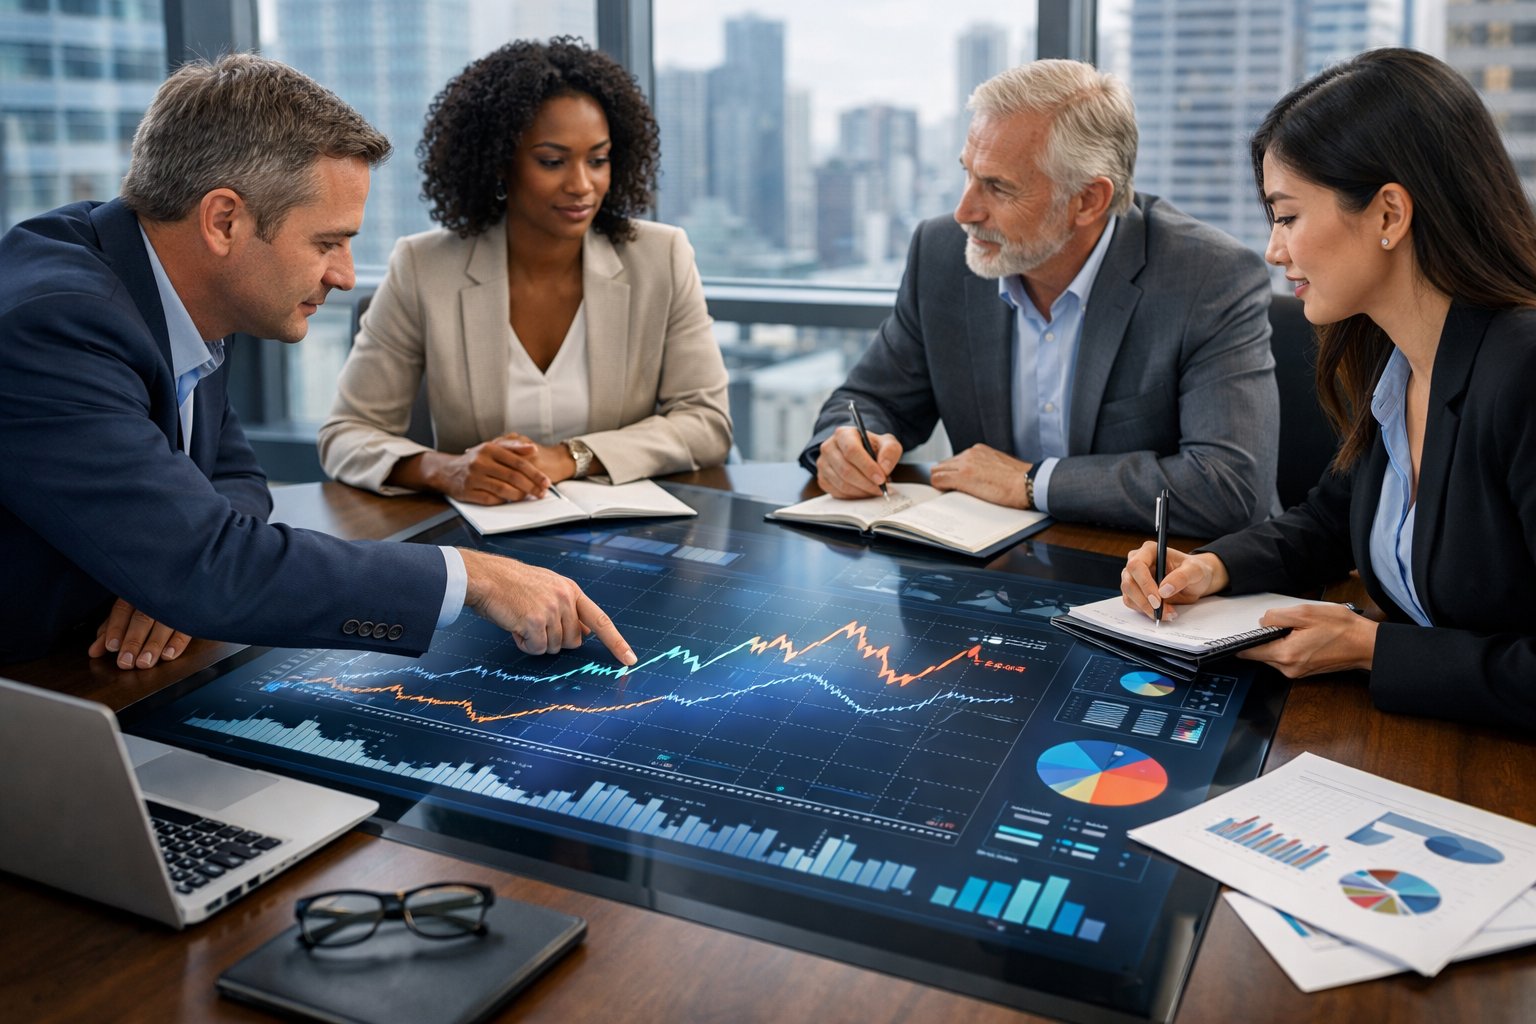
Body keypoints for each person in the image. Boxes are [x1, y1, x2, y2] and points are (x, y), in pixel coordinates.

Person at [0, 53, 635, 672]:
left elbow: (234, 474)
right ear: (224, 220)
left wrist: (166, 567)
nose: (345, 276)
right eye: (327, 242)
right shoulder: (57, 324)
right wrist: (469, 576)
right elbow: (209, 562)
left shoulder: (167, 286)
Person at [1120, 48, 1536, 732]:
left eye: (1287, 216)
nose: (1273, 250)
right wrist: (1212, 567)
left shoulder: (1521, 371)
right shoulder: (1396, 356)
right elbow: (1331, 522)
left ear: (1389, 215)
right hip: (1423, 741)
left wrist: (1375, 651)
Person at [800, 59, 1279, 537]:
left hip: (1159, 579)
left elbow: (1229, 486)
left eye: (997, 186)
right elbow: (869, 399)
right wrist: (844, 445)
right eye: (968, 174)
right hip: (988, 568)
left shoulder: (1207, 277)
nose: (965, 211)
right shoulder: (942, 254)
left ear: (1088, 200)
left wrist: (1032, 483)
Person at [318, 38, 731, 504]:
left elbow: (706, 422)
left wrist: (571, 456)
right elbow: (346, 434)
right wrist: (445, 469)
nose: (582, 185)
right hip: (484, 539)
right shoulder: (424, 267)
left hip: (626, 535)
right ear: (499, 162)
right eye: (552, 161)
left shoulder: (662, 257)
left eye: (598, 160)